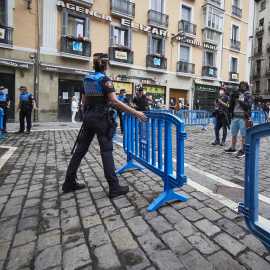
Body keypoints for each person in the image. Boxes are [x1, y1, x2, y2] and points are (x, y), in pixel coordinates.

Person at [62, 53, 147, 198]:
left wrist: (86, 116)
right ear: (106, 65)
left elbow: (84, 101)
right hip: (101, 118)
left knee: (80, 151)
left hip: (89, 117)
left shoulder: (86, 78)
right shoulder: (105, 80)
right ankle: (114, 187)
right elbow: (114, 101)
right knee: (106, 152)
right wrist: (134, 111)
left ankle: (69, 181)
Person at [224, 81, 252, 158]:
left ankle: (242, 150)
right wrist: (232, 98)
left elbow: (248, 106)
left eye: (244, 86)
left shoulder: (248, 95)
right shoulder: (236, 94)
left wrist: (239, 101)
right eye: (241, 86)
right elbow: (231, 107)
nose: (242, 87)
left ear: (246, 87)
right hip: (235, 116)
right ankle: (233, 148)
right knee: (234, 134)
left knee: (243, 134)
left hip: (243, 117)